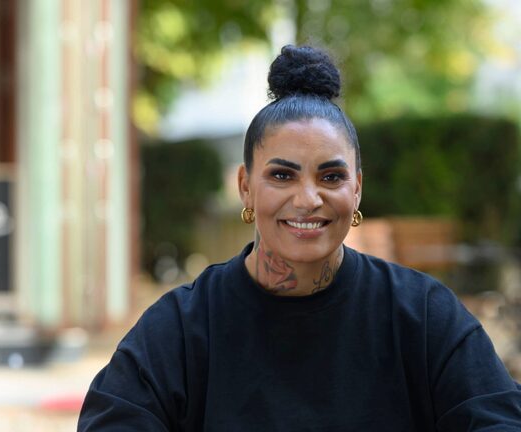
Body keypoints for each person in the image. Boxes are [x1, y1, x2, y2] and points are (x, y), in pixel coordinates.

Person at [77, 45, 521, 431]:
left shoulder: (422, 315)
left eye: (331, 175)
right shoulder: (182, 327)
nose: (308, 198)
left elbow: (496, 416)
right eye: (282, 175)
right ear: (245, 186)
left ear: (357, 188)